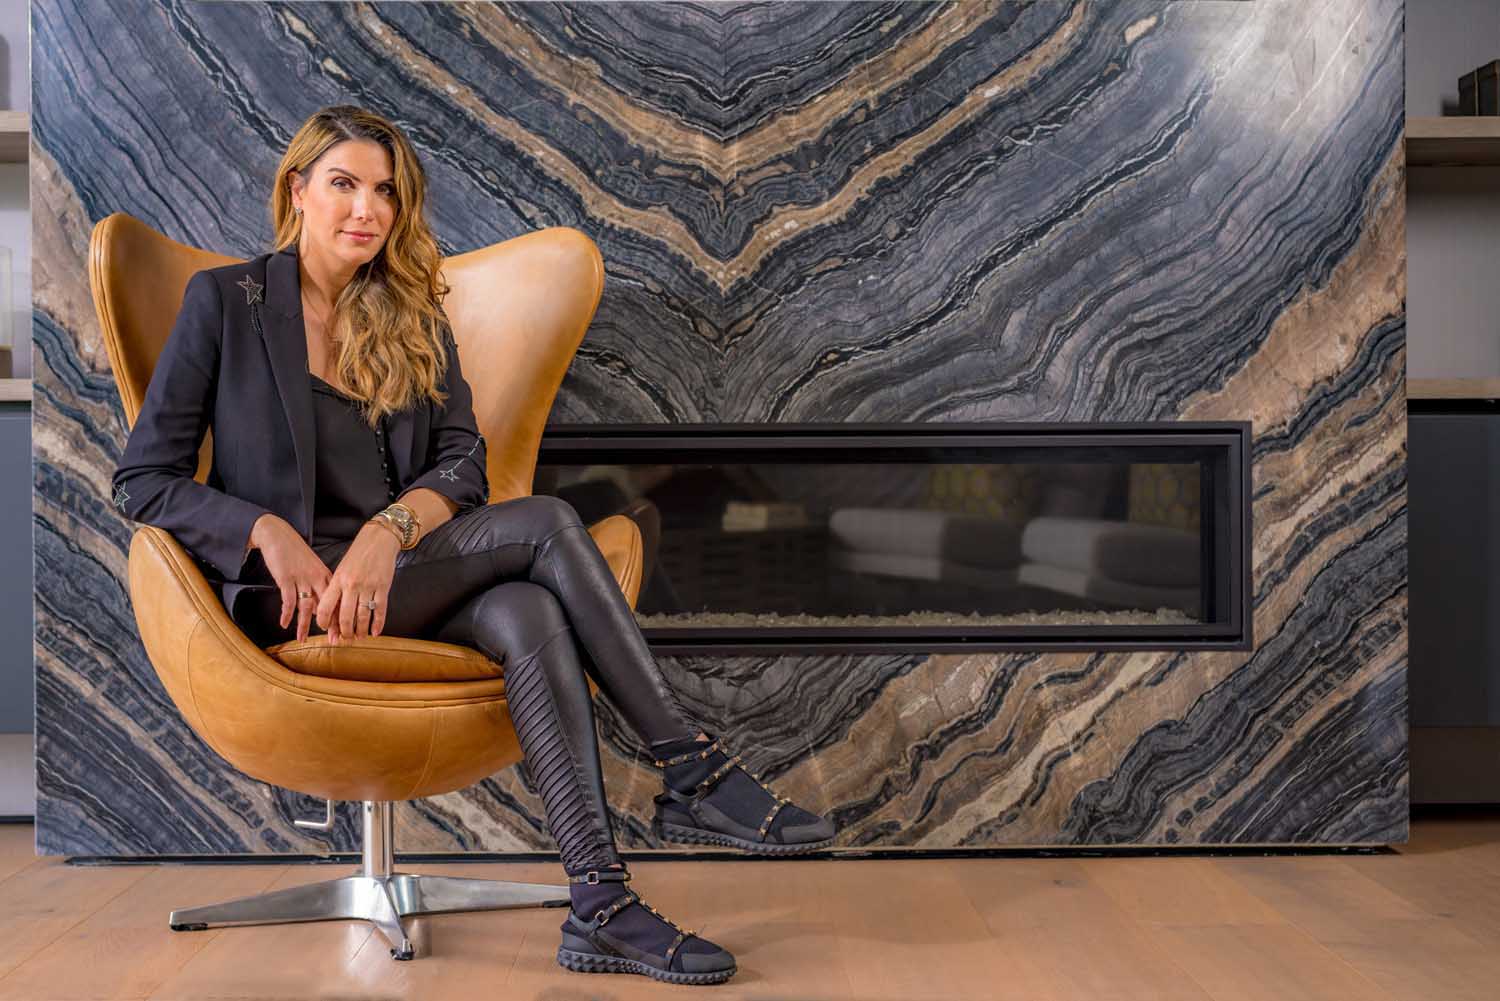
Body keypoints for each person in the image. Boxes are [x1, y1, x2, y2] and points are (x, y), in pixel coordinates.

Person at [111, 105, 835, 986]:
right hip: (295, 597)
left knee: (528, 611)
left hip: (409, 572)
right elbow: (143, 479)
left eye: (385, 191)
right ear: (297, 190)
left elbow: (462, 462)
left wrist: (387, 532)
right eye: (343, 184)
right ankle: (691, 767)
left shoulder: (410, 310)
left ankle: (601, 906)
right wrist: (264, 531)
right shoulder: (228, 303)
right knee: (548, 521)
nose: (366, 209)